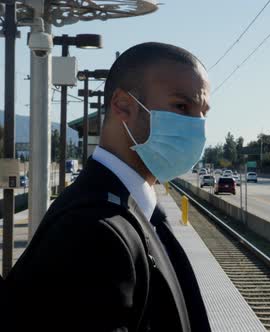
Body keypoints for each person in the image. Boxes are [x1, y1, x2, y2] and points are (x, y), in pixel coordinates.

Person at [5, 42, 211, 331]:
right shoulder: (92, 232)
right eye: (181, 106)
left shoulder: (129, 212)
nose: (197, 126)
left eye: (203, 112)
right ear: (122, 105)